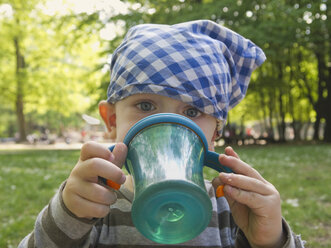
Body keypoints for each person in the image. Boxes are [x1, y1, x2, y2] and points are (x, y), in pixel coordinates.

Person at [19, 20, 305, 248]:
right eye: (145, 105)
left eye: (192, 112)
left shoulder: (231, 209)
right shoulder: (94, 200)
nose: (167, 128)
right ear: (112, 119)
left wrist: (270, 240)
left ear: (215, 132)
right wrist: (69, 214)